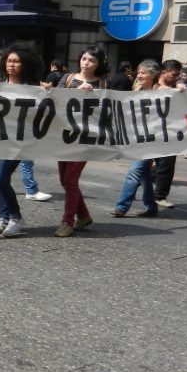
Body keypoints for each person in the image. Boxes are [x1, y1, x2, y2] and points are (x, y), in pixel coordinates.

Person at [0, 45, 46, 238]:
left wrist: (46, 91)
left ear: (25, 64)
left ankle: (16, 217)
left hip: (18, 142)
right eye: (9, 60)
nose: (11, 64)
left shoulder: (34, 88)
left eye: (16, 61)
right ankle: (3, 219)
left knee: (0, 178)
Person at [52, 45, 108, 237]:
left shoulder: (102, 84)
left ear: (98, 64)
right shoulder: (68, 79)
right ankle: (83, 215)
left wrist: (92, 94)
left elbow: (106, 111)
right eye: (84, 59)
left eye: (92, 60)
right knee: (65, 180)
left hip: (84, 139)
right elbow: (56, 100)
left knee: (70, 180)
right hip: (64, 137)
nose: (87, 63)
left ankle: (67, 222)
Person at [110, 60, 162, 221]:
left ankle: (121, 207)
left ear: (152, 75)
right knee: (144, 175)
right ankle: (151, 206)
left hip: (152, 139)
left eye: (143, 73)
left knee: (134, 172)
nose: (139, 75)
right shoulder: (136, 89)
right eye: (138, 72)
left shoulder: (162, 92)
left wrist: (181, 88)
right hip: (137, 137)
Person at [151, 59, 184, 208]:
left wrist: (180, 88)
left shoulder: (176, 88)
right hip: (151, 131)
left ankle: (160, 196)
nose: (177, 77)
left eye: (178, 75)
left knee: (166, 165)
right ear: (163, 73)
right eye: (174, 74)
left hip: (169, 133)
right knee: (141, 168)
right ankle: (128, 196)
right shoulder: (152, 85)